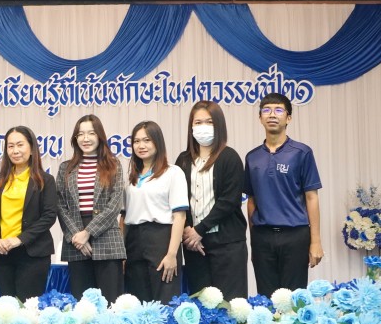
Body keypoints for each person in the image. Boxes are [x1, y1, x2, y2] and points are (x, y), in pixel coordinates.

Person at [243, 93, 323, 296]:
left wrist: (316, 241)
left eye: (278, 110)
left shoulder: (302, 153)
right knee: (266, 299)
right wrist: (254, 240)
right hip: (262, 237)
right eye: (266, 110)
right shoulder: (252, 157)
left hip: (295, 235)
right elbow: (251, 201)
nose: (272, 114)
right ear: (260, 118)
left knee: (294, 299)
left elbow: (311, 197)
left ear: (288, 118)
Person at [175, 101, 248, 297]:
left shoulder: (230, 157)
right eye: (198, 122)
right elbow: (178, 200)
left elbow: (229, 201)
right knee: (201, 304)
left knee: (230, 304)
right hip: (194, 246)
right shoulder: (183, 160)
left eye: (209, 122)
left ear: (219, 125)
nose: (203, 127)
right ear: (191, 127)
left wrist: (200, 230)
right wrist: (188, 230)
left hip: (227, 245)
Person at [56, 114, 125, 302]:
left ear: (100, 136)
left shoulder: (113, 165)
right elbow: (60, 205)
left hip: (107, 238)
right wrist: (77, 236)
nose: (85, 138)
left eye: (91, 133)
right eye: (80, 134)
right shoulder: (65, 168)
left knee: (111, 303)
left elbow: (114, 205)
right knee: (82, 305)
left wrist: (88, 233)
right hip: (76, 240)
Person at [0, 126, 58, 300]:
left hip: (32, 254)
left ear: (31, 149)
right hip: (3, 254)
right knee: (6, 308)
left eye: (20, 145)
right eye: (10, 146)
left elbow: (48, 216)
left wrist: (20, 239)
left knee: (28, 308)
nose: (15, 150)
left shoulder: (45, 180)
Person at [123, 121, 189, 304]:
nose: (141, 145)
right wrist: (122, 252)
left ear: (157, 142)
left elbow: (180, 216)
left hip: (161, 239)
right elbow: (124, 218)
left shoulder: (173, 172)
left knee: (164, 299)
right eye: (136, 141)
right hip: (133, 241)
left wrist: (172, 254)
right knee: (137, 302)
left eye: (147, 140)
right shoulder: (131, 177)